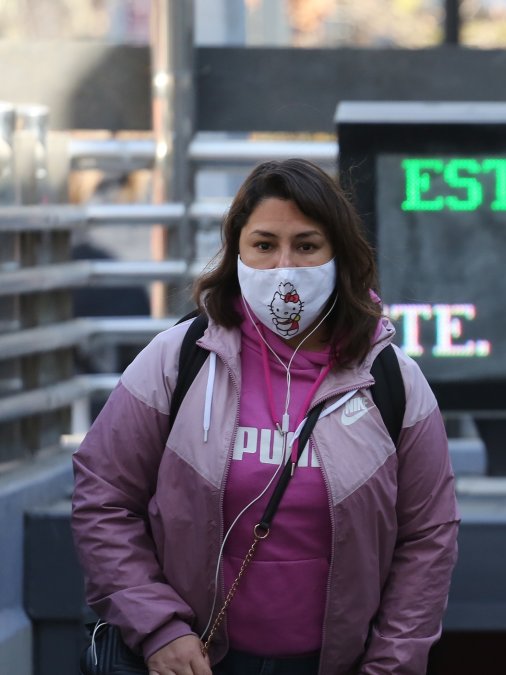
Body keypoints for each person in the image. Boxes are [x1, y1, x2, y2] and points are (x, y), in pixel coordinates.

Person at [72, 158, 459, 675]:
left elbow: (429, 537)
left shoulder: (392, 380)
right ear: (237, 253)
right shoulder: (178, 359)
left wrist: (390, 666)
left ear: (339, 255)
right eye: (263, 245)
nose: (284, 267)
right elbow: (103, 497)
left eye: (306, 245)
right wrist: (159, 628)